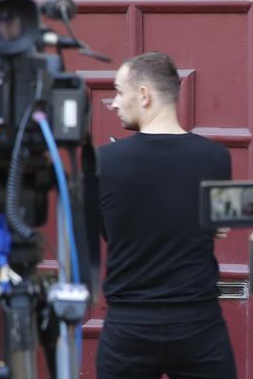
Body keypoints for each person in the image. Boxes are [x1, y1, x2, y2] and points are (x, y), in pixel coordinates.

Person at [96, 52, 237, 379]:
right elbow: (214, 229)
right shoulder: (215, 158)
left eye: (119, 91)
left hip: (128, 325)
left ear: (144, 95)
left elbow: (109, 232)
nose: (114, 103)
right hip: (198, 324)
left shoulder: (105, 161)